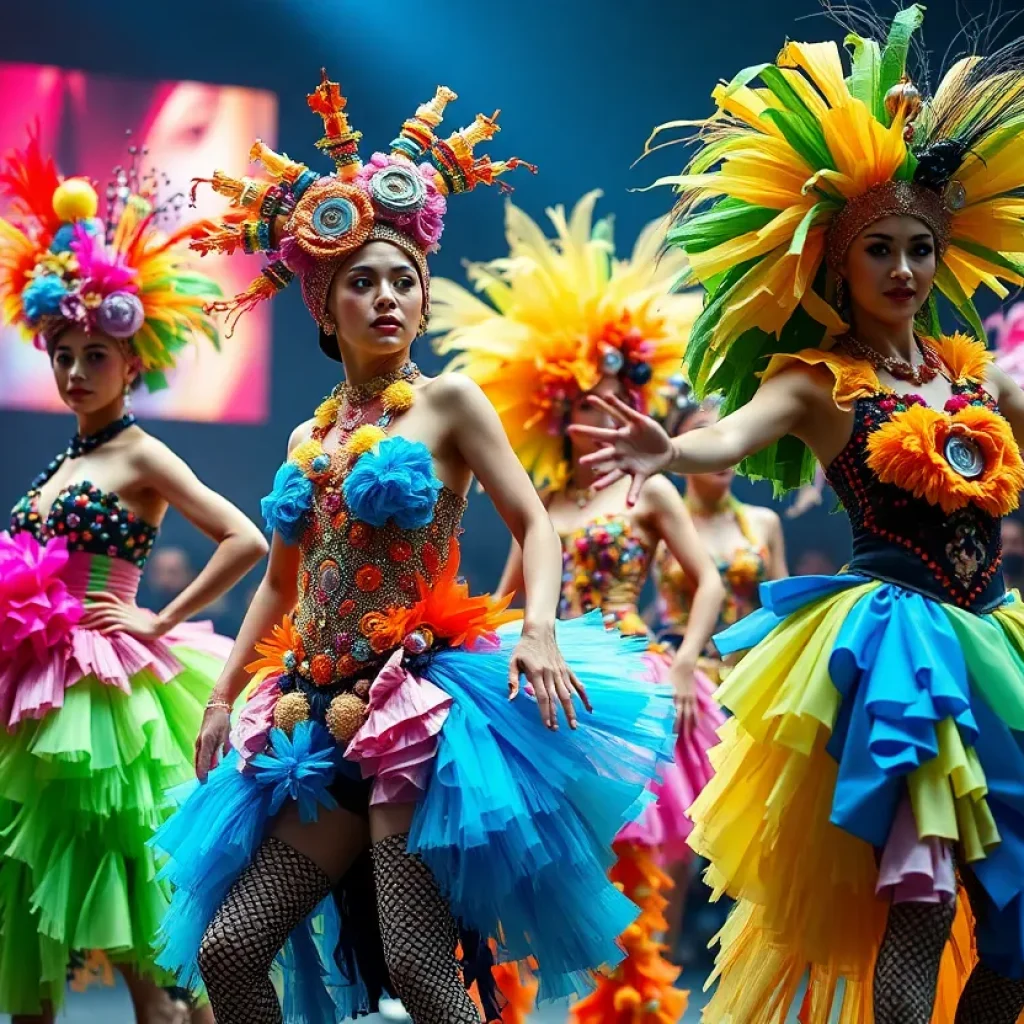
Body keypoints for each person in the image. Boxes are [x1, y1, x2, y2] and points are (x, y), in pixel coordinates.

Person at [152, 72, 675, 1024]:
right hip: (312, 717)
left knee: (425, 975)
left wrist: (542, 631)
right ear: (324, 305)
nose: (386, 297)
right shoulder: (306, 443)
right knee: (231, 954)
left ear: (423, 302)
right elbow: (280, 585)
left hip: (411, 712)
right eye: (362, 282)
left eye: (404, 281)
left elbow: (536, 523)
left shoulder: (449, 404)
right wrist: (224, 694)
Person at [569, 10, 1024, 1023]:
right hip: (896, 652)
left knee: (1015, 921)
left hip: (995, 643)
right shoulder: (819, 383)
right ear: (835, 265)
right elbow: (728, 438)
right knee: (923, 895)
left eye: (918, 249)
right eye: (878, 252)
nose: (902, 271)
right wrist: (666, 450)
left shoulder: (976, 378)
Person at [433, 191, 723, 1021]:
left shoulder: (652, 494)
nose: (596, 412)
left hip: (630, 685)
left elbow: (702, 581)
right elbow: (503, 601)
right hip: (559, 690)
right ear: (555, 408)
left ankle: (629, 1005)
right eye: (580, 400)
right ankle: (507, 998)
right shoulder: (543, 507)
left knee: (634, 867)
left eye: (611, 397)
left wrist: (689, 663)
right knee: (534, 857)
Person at [0, 131, 268, 1023]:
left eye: (95, 356)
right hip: (36, 693)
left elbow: (245, 541)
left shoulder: (143, 451)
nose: (75, 371)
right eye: (62, 354)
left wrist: (155, 621)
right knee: (29, 934)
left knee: (143, 959)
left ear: (133, 359)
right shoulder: (60, 463)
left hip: (105, 707)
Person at [652, 383, 788, 684]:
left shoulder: (763, 523)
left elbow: (783, 610)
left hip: (750, 678)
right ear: (677, 449)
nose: (718, 446)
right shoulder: (657, 524)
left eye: (724, 432)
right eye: (703, 432)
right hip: (681, 680)